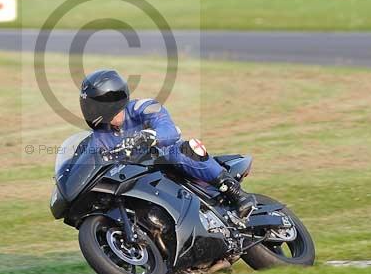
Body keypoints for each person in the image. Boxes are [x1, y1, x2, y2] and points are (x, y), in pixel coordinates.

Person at [79, 68, 254, 216]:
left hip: (165, 165)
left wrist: (149, 136)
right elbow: (90, 159)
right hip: (138, 180)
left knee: (178, 150)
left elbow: (169, 131)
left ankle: (234, 192)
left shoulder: (143, 108)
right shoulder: (99, 136)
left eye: (95, 105)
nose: (91, 111)